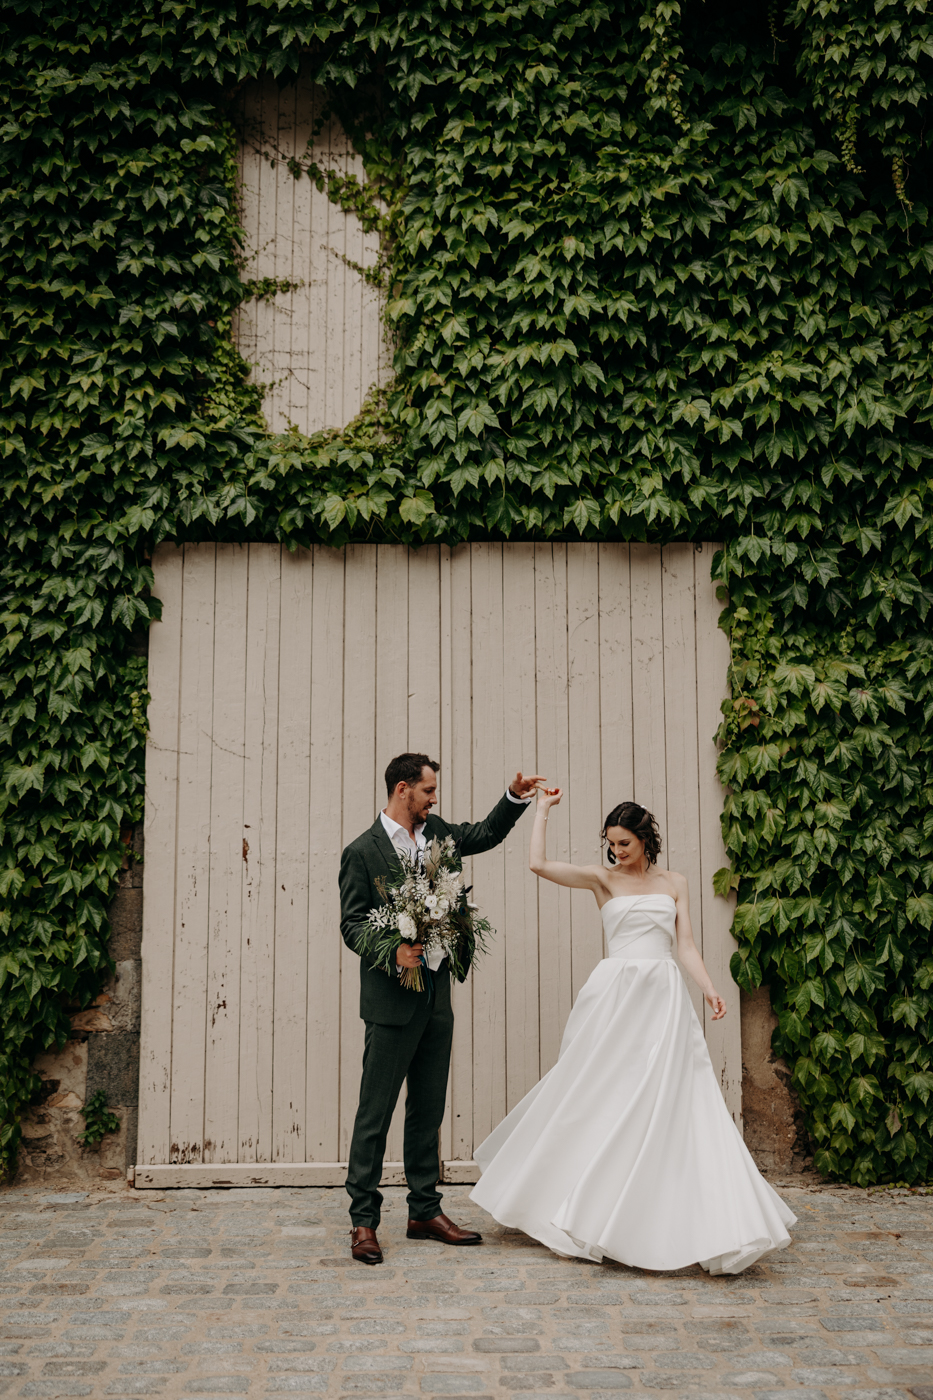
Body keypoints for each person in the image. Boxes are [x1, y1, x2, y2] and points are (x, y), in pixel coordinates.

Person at [470, 789, 797, 1275]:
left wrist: (707, 987)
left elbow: (683, 944)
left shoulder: (675, 883)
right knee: (596, 1092)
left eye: (624, 843)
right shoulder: (602, 879)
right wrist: (541, 812)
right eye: (611, 844)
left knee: (670, 1098)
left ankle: (669, 1215)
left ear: (645, 840)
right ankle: (570, 1202)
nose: (616, 852)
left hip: (662, 995)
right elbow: (538, 865)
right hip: (614, 994)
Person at [339, 752, 542, 1264]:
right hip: (389, 1001)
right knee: (374, 1113)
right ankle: (363, 1221)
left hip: (435, 995)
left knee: (428, 1110)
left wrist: (515, 796)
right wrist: (393, 950)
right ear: (403, 789)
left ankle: (424, 1210)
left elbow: (485, 834)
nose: (434, 800)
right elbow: (353, 924)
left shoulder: (438, 835)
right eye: (428, 791)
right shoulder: (361, 852)